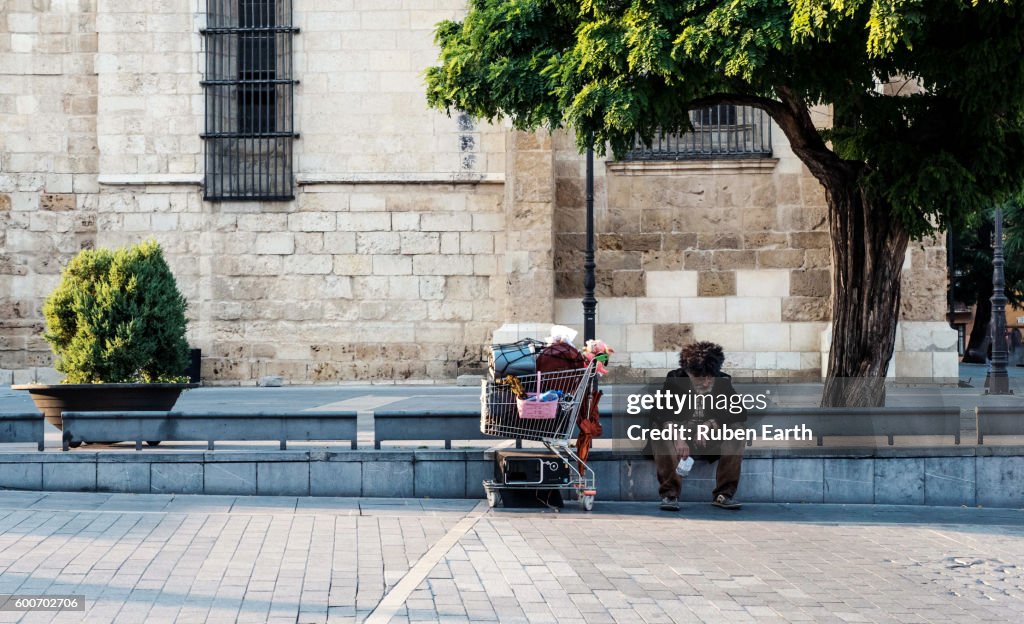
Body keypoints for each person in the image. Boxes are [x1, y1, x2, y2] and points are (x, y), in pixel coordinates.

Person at [650, 341, 747, 511]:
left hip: (709, 437)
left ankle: (724, 494)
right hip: (681, 434)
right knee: (659, 432)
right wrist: (678, 437)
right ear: (689, 372)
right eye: (701, 378)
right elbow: (660, 413)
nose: (706, 382)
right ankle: (669, 495)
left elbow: (739, 412)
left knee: (738, 430)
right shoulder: (675, 379)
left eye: (710, 377)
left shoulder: (722, 381)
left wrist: (710, 424)